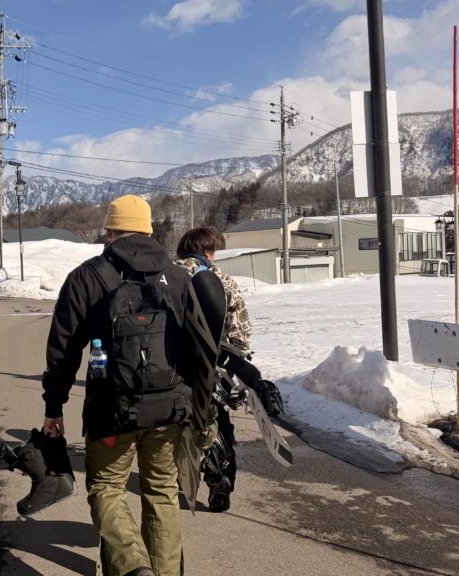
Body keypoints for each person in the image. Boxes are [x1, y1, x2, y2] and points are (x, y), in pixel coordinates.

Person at [41, 194, 195, 576]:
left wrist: (54, 407)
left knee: (107, 488)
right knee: (161, 491)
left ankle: (131, 567)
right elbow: (198, 346)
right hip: (170, 410)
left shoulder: (87, 277)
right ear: (149, 231)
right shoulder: (178, 277)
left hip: (111, 413)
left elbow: (63, 350)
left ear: (109, 231)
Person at [175, 226, 278, 513]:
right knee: (218, 421)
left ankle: (179, 471)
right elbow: (239, 327)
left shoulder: (167, 275)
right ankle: (219, 478)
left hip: (174, 368)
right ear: (208, 251)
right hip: (214, 365)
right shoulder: (221, 279)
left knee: (178, 423)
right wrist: (237, 361)